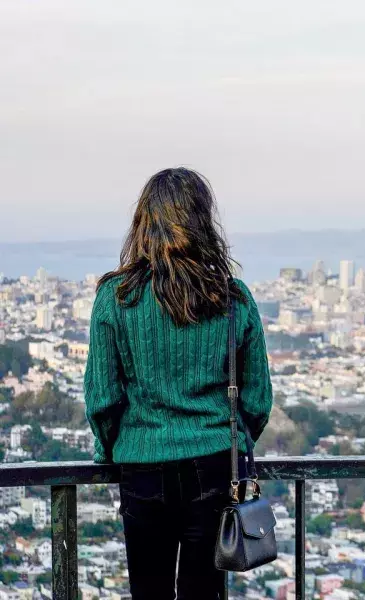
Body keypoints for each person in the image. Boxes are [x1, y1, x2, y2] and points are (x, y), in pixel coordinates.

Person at [84, 167, 273, 599]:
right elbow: (258, 399)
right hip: (212, 463)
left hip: (142, 465)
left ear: (143, 224)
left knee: (148, 591)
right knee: (203, 590)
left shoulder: (117, 298)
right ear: (204, 221)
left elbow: (102, 399)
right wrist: (230, 439)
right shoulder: (232, 298)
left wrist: (109, 449)